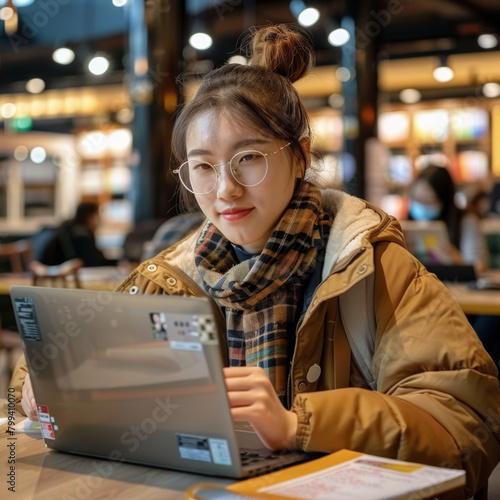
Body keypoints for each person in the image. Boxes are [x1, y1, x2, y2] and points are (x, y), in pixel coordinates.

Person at [11, 24, 500, 498]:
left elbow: (467, 426)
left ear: (300, 155)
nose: (225, 189)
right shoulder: (171, 277)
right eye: (203, 166)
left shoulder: (372, 265)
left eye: (248, 157)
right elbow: (95, 390)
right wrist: (47, 384)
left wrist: (297, 423)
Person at [408, 165, 490, 273]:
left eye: (429, 200)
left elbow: (480, 266)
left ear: (445, 200)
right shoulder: (407, 225)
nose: (421, 206)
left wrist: (457, 260)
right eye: (417, 199)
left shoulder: (466, 221)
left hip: (456, 288)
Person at [40, 201, 114, 267]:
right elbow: (92, 261)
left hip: (56, 268)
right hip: (67, 272)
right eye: (97, 215)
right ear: (89, 216)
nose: (100, 218)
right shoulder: (81, 234)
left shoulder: (70, 228)